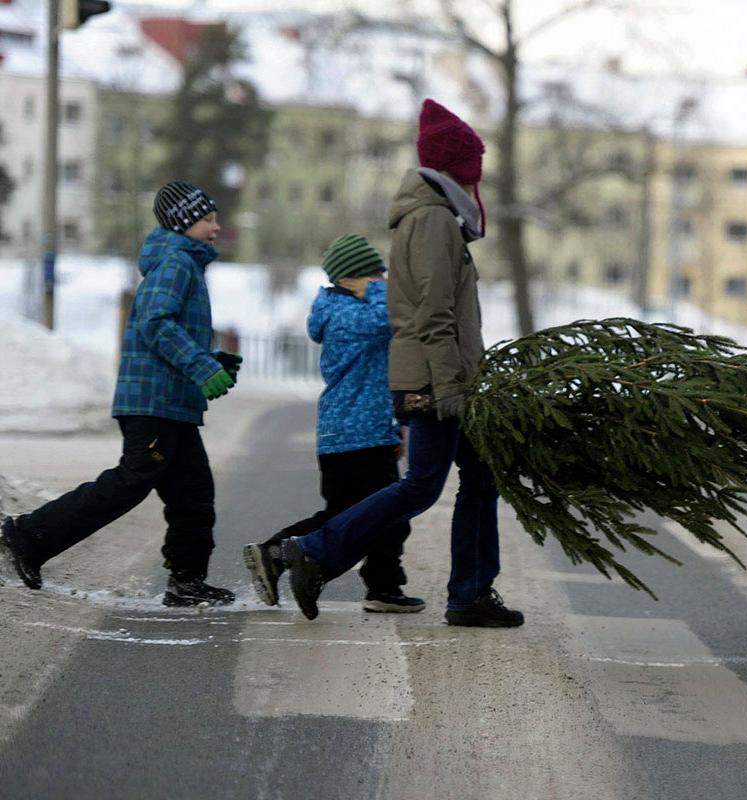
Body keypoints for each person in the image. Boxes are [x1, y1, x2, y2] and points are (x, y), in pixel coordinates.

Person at [266, 99, 523, 628]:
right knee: (421, 486)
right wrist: (451, 384)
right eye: (473, 157)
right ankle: (313, 551)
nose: (479, 168)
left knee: (480, 475)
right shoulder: (430, 219)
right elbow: (432, 312)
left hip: (450, 376)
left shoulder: (438, 215)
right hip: (436, 379)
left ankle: (471, 593)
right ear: (455, 162)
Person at [1, 181, 239, 607]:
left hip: (171, 404)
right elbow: (155, 323)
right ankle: (29, 536)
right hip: (153, 404)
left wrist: (212, 360)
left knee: (193, 493)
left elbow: (169, 331)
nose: (216, 226)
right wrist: (201, 366)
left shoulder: (182, 263)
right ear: (183, 223)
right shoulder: (176, 264)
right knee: (130, 483)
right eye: (207, 219)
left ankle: (186, 581)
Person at [241, 234, 424, 614]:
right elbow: (387, 319)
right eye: (376, 275)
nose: (384, 282)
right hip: (357, 435)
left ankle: (377, 583)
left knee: (356, 514)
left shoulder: (341, 309)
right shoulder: (346, 314)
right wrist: (378, 291)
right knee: (379, 514)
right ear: (351, 279)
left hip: (361, 433)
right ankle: (284, 555)